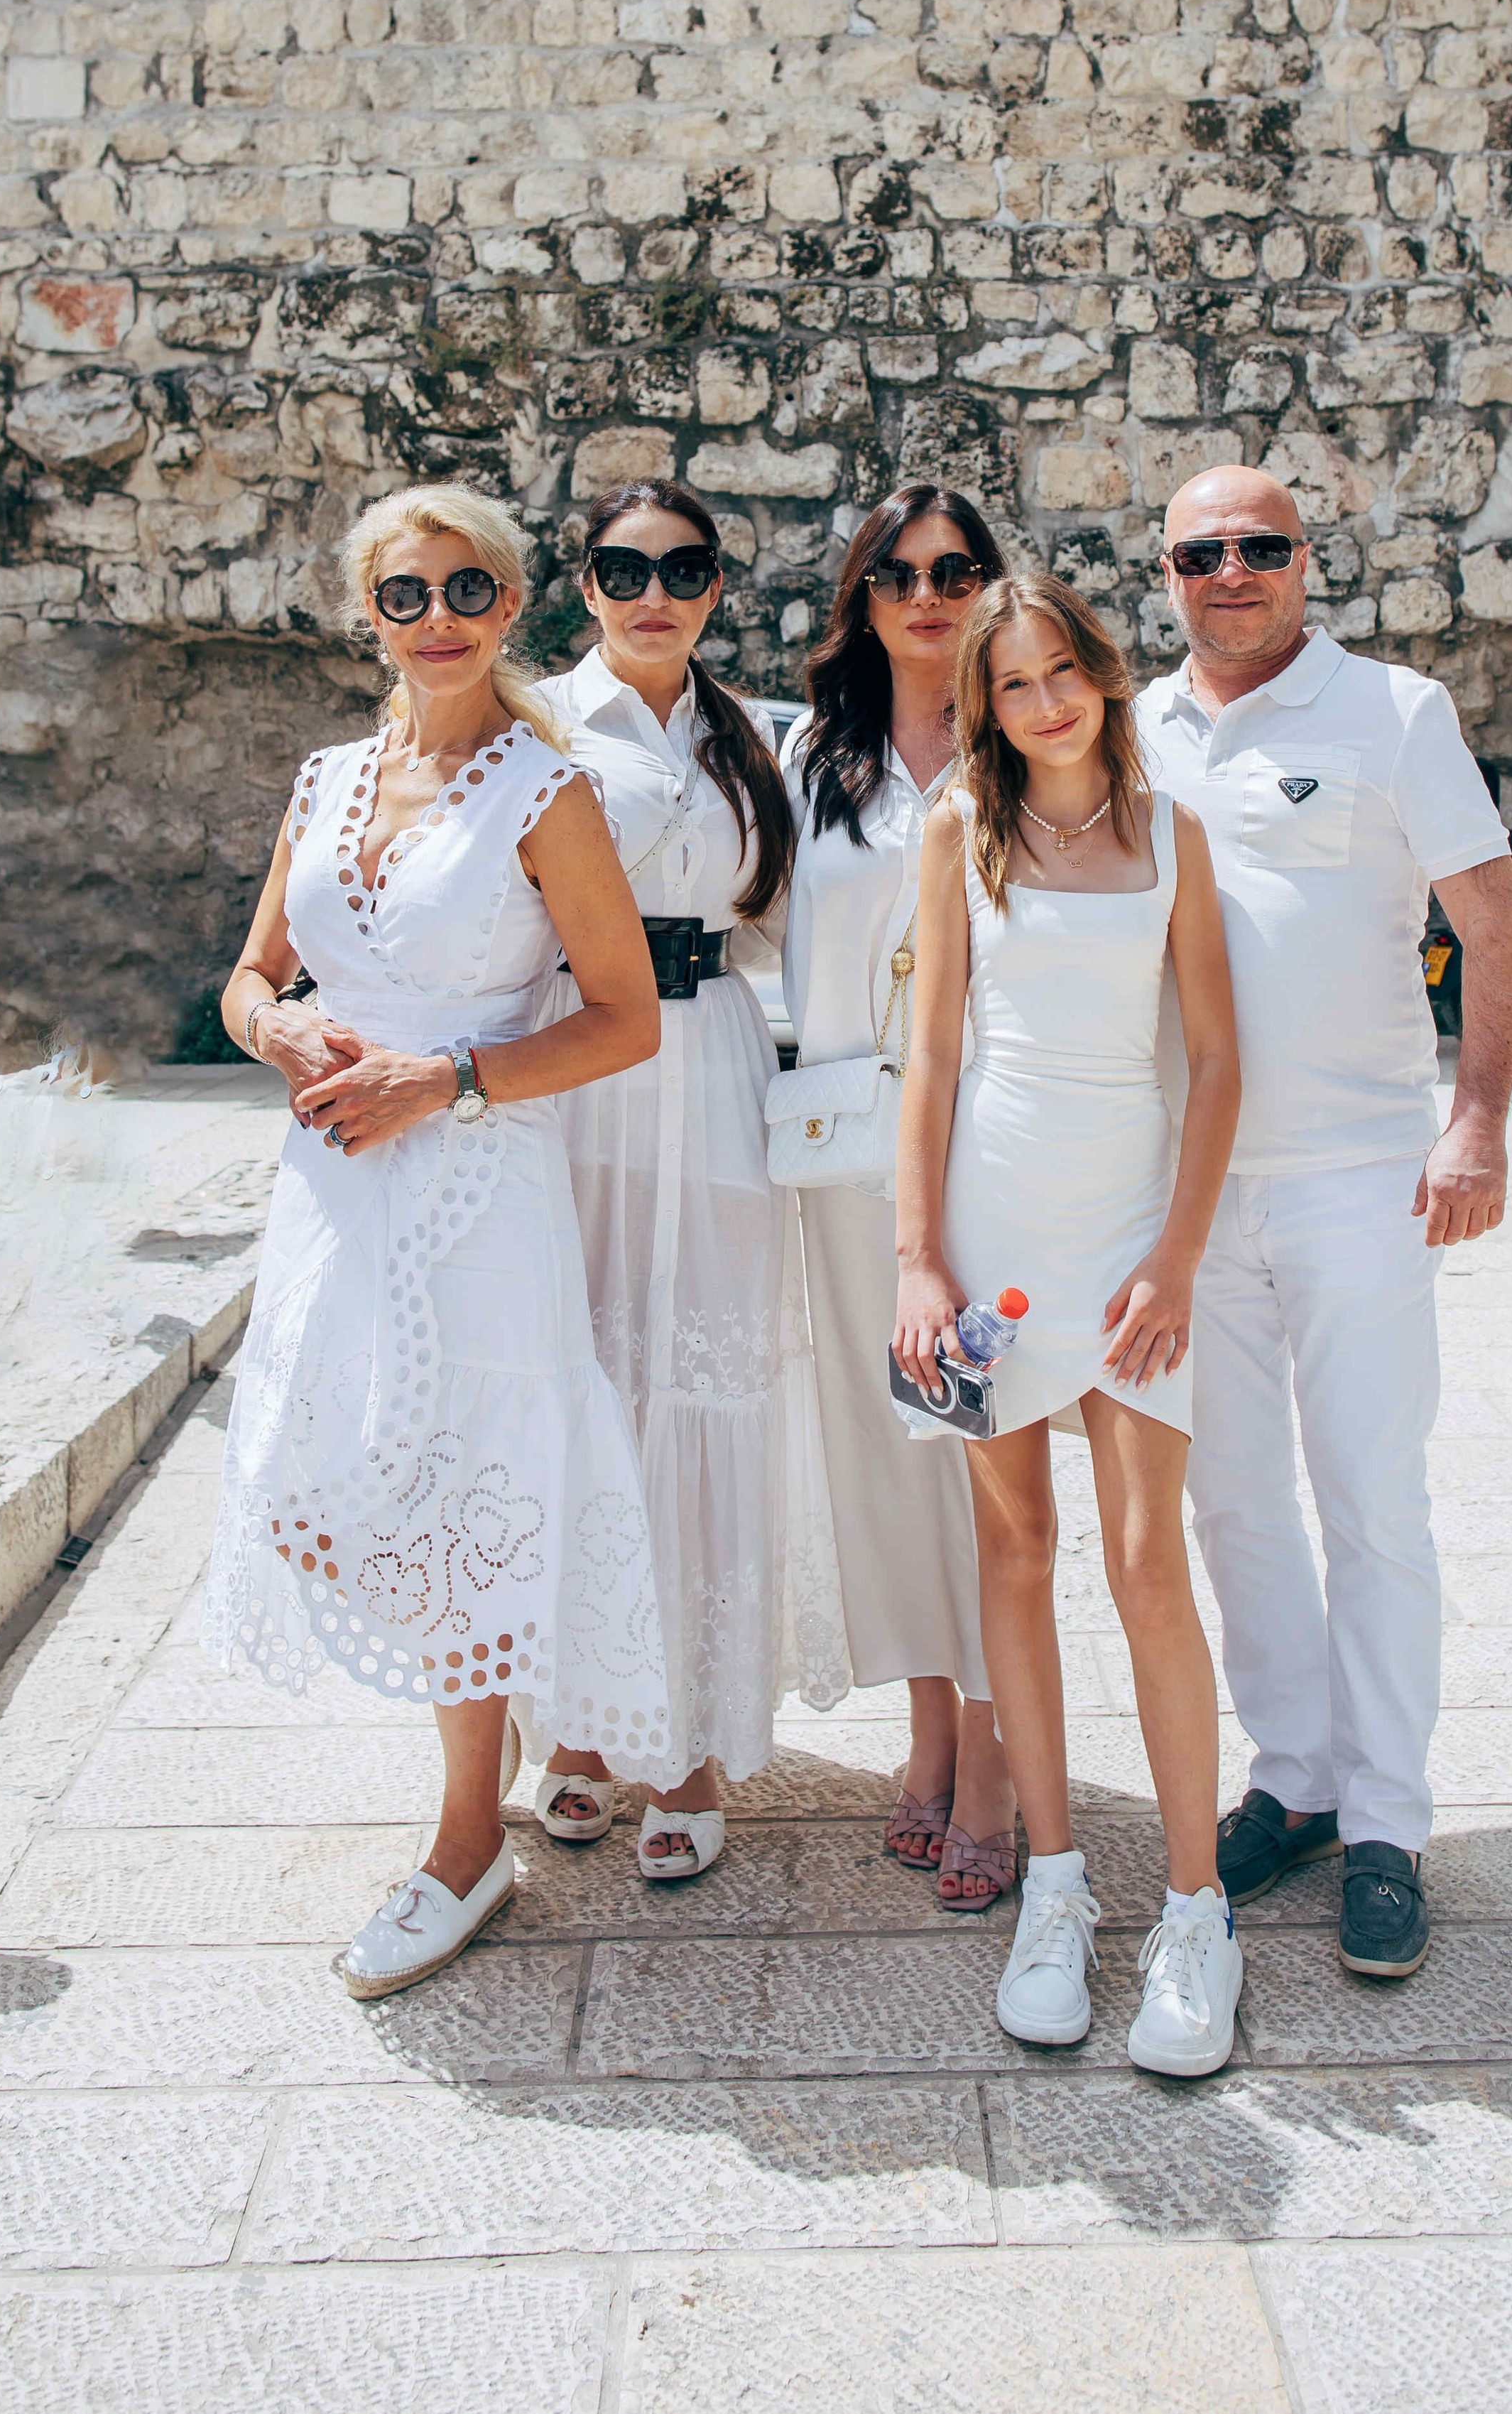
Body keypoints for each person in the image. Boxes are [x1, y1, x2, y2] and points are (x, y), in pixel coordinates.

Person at [207, 482, 673, 2001]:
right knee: (314, 1481)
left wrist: (446, 1077)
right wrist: (275, 1027)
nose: (439, 621)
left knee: (459, 1481)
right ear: (369, 614)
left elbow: (624, 1018)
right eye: (406, 596)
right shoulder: (321, 779)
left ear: (511, 608)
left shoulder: (549, 793)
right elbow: (248, 972)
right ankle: (514, 1704)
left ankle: (468, 1836)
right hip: (334, 1182)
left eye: (468, 592)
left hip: (476, 1183)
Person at [1136, 462, 1512, 1979]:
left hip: (1359, 1176)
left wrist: (1476, 1120)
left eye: (1260, 546)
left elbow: (1490, 922)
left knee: (1370, 1495)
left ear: (1306, 561)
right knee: (1230, 1497)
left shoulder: (1394, 711)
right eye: (1201, 550)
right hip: (1189, 1194)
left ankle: (1387, 1818)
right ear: (1162, 569)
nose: (1231, 570)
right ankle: (1292, 1776)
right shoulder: (1130, 727)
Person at [894, 574, 1244, 2073]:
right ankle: (1052, 1885)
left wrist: (1175, 1255)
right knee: (1015, 1553)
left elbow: (1218, 1064)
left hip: (1129, 1240)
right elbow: (928, 1061)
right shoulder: (956, 830)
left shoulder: (1174, 835)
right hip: (991, 1237)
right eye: (1011, 684)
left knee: (1149, 1562)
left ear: (1104, 676)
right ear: (985, 707)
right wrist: (918, 1262)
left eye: (1062, 674)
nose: (1042, 704)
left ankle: (1192, 1910)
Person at [534, 480, 850, 1880]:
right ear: (583, 581)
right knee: (582, 1382)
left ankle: (697, 1738)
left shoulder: (759, 743)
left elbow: (801, 925)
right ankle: (579, 1728)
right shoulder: (533, 721)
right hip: (575, 1075)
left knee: (705, 1387)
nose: (652, 588)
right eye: (622, 565)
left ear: (719, 584)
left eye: (682, 566)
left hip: (713, 1067)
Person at [782, 485, 1019, 1910]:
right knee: (885, 1452)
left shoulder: (1033, 734)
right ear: (859, 597)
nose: (926, 594)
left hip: (993, 1149)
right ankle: (929, 1729)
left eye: (955, 569)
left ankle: (992, 1755)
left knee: (973, 1449)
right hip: (847, 1161)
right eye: (897, 573)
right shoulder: (808, 753)